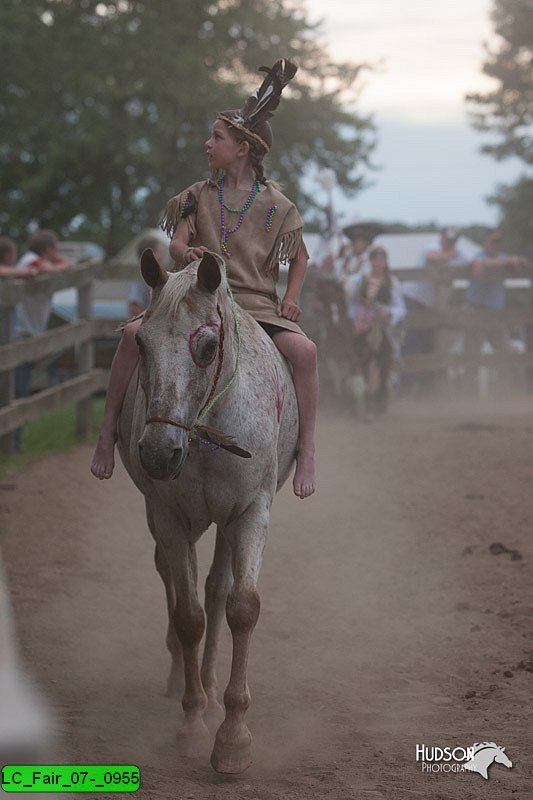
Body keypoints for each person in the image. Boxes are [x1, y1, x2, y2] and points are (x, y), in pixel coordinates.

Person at [91, 59, 317, 499]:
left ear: (243, 148)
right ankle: (107, 434)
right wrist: (184, 252)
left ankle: (306, 449)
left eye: (217, 137)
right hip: (195, 296)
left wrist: (291, 297)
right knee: (133, 334)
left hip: (255, 304)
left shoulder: (278, 206)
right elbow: (176, 244)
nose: (207, 143)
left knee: (305, 352)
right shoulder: (197, 195)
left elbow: (300, 257)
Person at [10, 230, 71, 451]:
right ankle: (12, 444)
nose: (57, 253)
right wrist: (55, 263)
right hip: (20, 335)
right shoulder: (30, 261)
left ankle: (13, 442)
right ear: (47, 250)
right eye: (54, 248)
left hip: (27, 334)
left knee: (20, 390)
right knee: (16, 391)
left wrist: (57, 261)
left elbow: (66, 264)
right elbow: (48, 268)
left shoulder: (34, 260)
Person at [401, 226, 468, 392]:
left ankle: (425, 388)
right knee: (412, 342)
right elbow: (431, 257)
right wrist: (450, 255)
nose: (449, 243)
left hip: (430, 306)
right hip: (414, 300)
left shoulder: (457, 253)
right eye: (447, 239)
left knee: (429, 344)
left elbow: (470, 262)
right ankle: (405, 386)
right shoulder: (432, 246)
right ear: (441, 237)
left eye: (452, 240)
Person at [347, 246, 405, 419]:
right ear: (371, 261)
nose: (379, 263)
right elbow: (354, 304)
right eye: (376, 259)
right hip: (364, 328)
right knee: (367, 364)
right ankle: (366, 404)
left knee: (383, 365)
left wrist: (389, 314)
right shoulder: (361, 280)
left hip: (385, 329)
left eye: (382, 259)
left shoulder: (392, 282)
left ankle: (379, 402)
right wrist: (359, 318)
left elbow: (400, 307)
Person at [463, 227, 527, 377]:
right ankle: (468, 393)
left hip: (496, 313)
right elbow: (480, 264)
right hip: (476, 311)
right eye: (494, 240)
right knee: (472, 354)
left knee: (505, 352)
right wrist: (508, 261)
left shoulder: (503, 257)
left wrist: (517, 260)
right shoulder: (479, 256)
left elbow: (520, 263)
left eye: (499, 241)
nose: (497, 244)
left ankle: (506, 391)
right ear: (486, 242)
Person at [127, 236, 168, 318]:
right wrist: (152, 319)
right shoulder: (138, 277)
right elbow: (134, 306)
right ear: (150, 255)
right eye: (159, 252)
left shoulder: (161, 274)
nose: (162, 256)